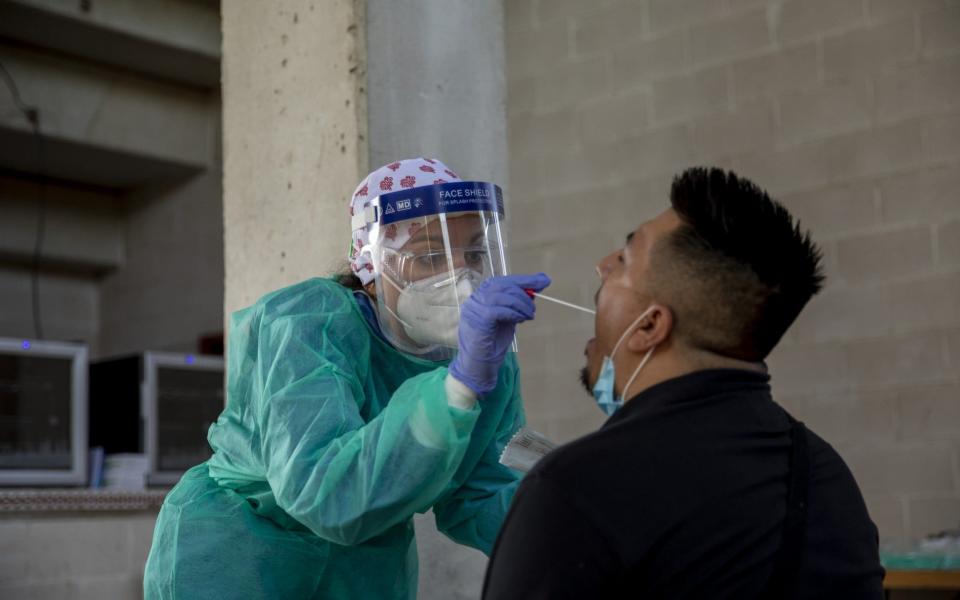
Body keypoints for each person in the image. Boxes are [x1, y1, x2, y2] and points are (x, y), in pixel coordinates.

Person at [143, 157, 550, 599]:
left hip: (366, 562)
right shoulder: (308, 324)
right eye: (431, 256)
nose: (461, 276)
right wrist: (457, 388)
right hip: (239, 553)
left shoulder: (484, 360)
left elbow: (481, 492)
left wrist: (576, 518)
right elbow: (324, 491)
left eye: (473, 254)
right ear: (373, 268)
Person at [482, 167, 884, 599]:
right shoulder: (827, 477)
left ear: (650, 325)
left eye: (625, 258)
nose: (602, 266)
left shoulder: (575, 490)